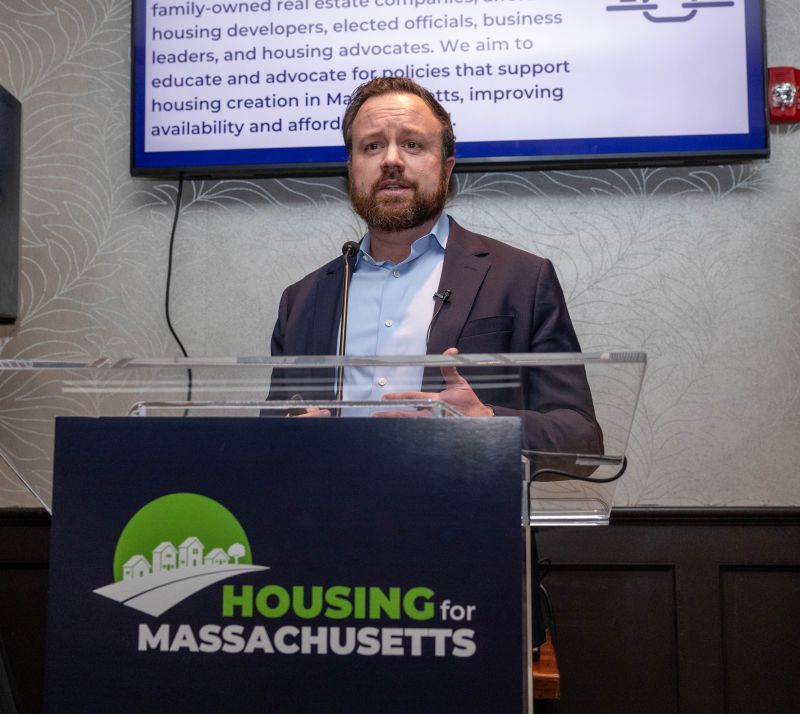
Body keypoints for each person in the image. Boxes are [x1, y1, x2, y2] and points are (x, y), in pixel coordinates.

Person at [269, 76, 601, 457]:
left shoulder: (522, 280)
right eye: (372, 146)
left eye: (412, 144)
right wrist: (284, 438)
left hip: (460, 511)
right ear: (351, 169)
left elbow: (582, 439)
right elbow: (274, 423)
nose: (391, 160)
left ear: (447, 168)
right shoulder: (302, 301)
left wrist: (486, 421)